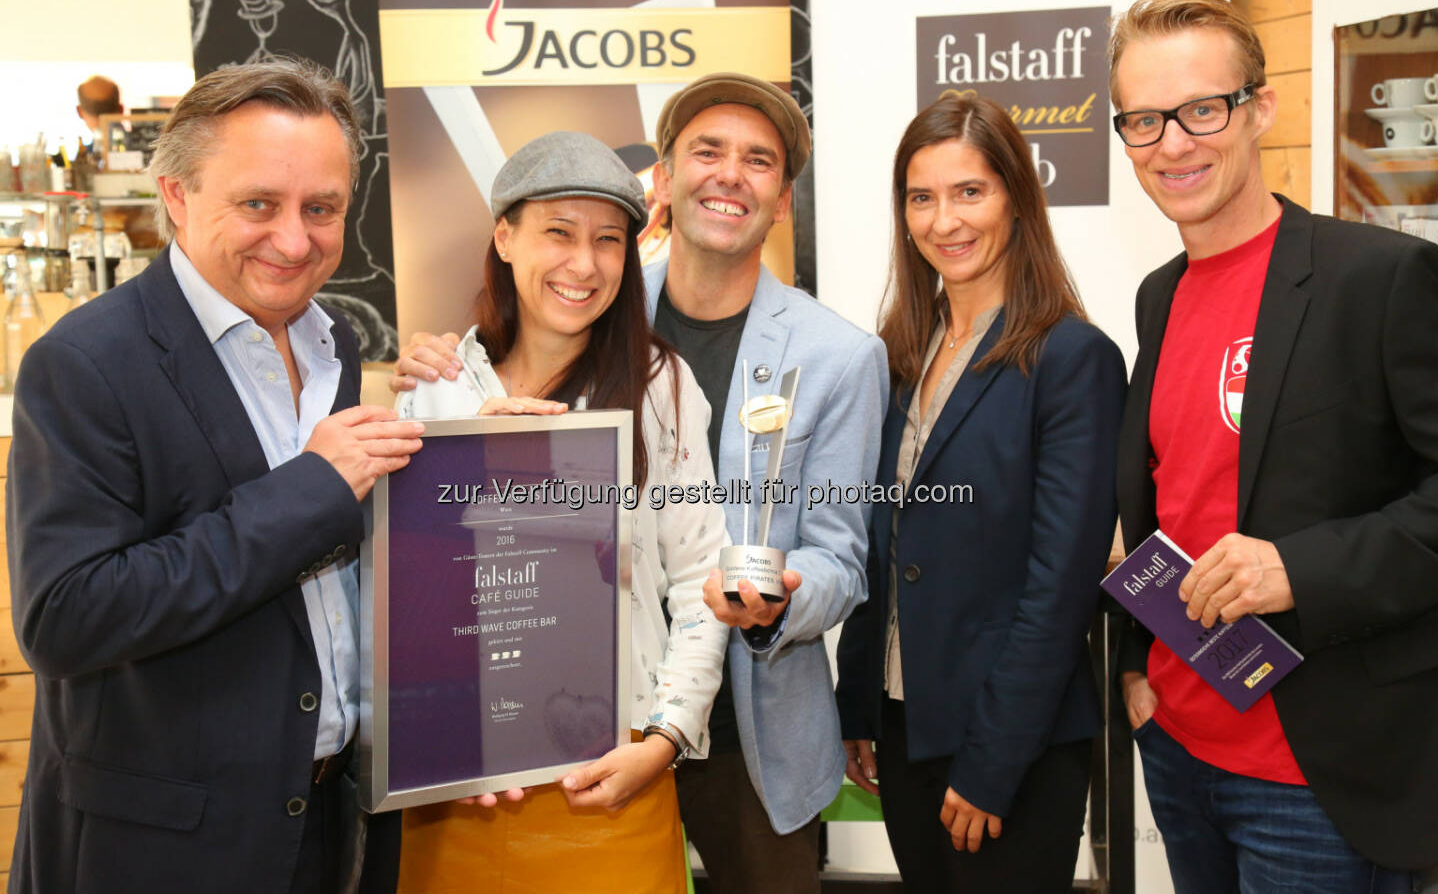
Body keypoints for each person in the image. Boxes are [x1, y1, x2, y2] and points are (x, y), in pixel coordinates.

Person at [393, 72, 888, 894]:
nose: (730, 173)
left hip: (744, 729)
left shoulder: (832, 356)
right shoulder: (567, 318)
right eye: (707, 150)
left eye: (758, 160)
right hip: (524, 741)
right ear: (662, 182)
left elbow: (839, 552)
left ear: (784, 195)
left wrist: (783, 597)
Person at [6, 59, 423, 893]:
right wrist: (313, 488)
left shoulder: (332, 339)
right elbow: (66, 618)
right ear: (176, 197)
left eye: (322, 209)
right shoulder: (85, 363)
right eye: (259, 204)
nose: (296, 240)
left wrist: (475, 444)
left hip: (325, 824)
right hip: (165, 848)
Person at [1109, 0, 1438, 893]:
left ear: (1261, 109)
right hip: (1178, 749)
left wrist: (1303, 568)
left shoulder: (1378, 278)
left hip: (1318, 784)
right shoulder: (1157, 296)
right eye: (1143, 120)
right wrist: (1141, 671)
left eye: (1201, 109)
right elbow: (1170, 497)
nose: (1172, 143)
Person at [393, 130, 731, 894]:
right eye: (558, 233)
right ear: (504, 236)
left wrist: (669, 736)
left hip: (612, 772)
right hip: (461, 782)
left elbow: (701, 581)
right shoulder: (437, 388)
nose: (584, 264)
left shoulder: (660, 388)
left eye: (609, 241)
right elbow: (408, 590)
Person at [833, 93, 1125, 890]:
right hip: (901, 726)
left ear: (1017, 199)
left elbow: (1060, 587)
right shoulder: (899, 352)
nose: (944, 221)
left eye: (970, 192)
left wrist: (995, 760)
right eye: (921, 197)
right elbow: (878, 547)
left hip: (1011, 744)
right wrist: (857, 705)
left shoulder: (1071, 358)